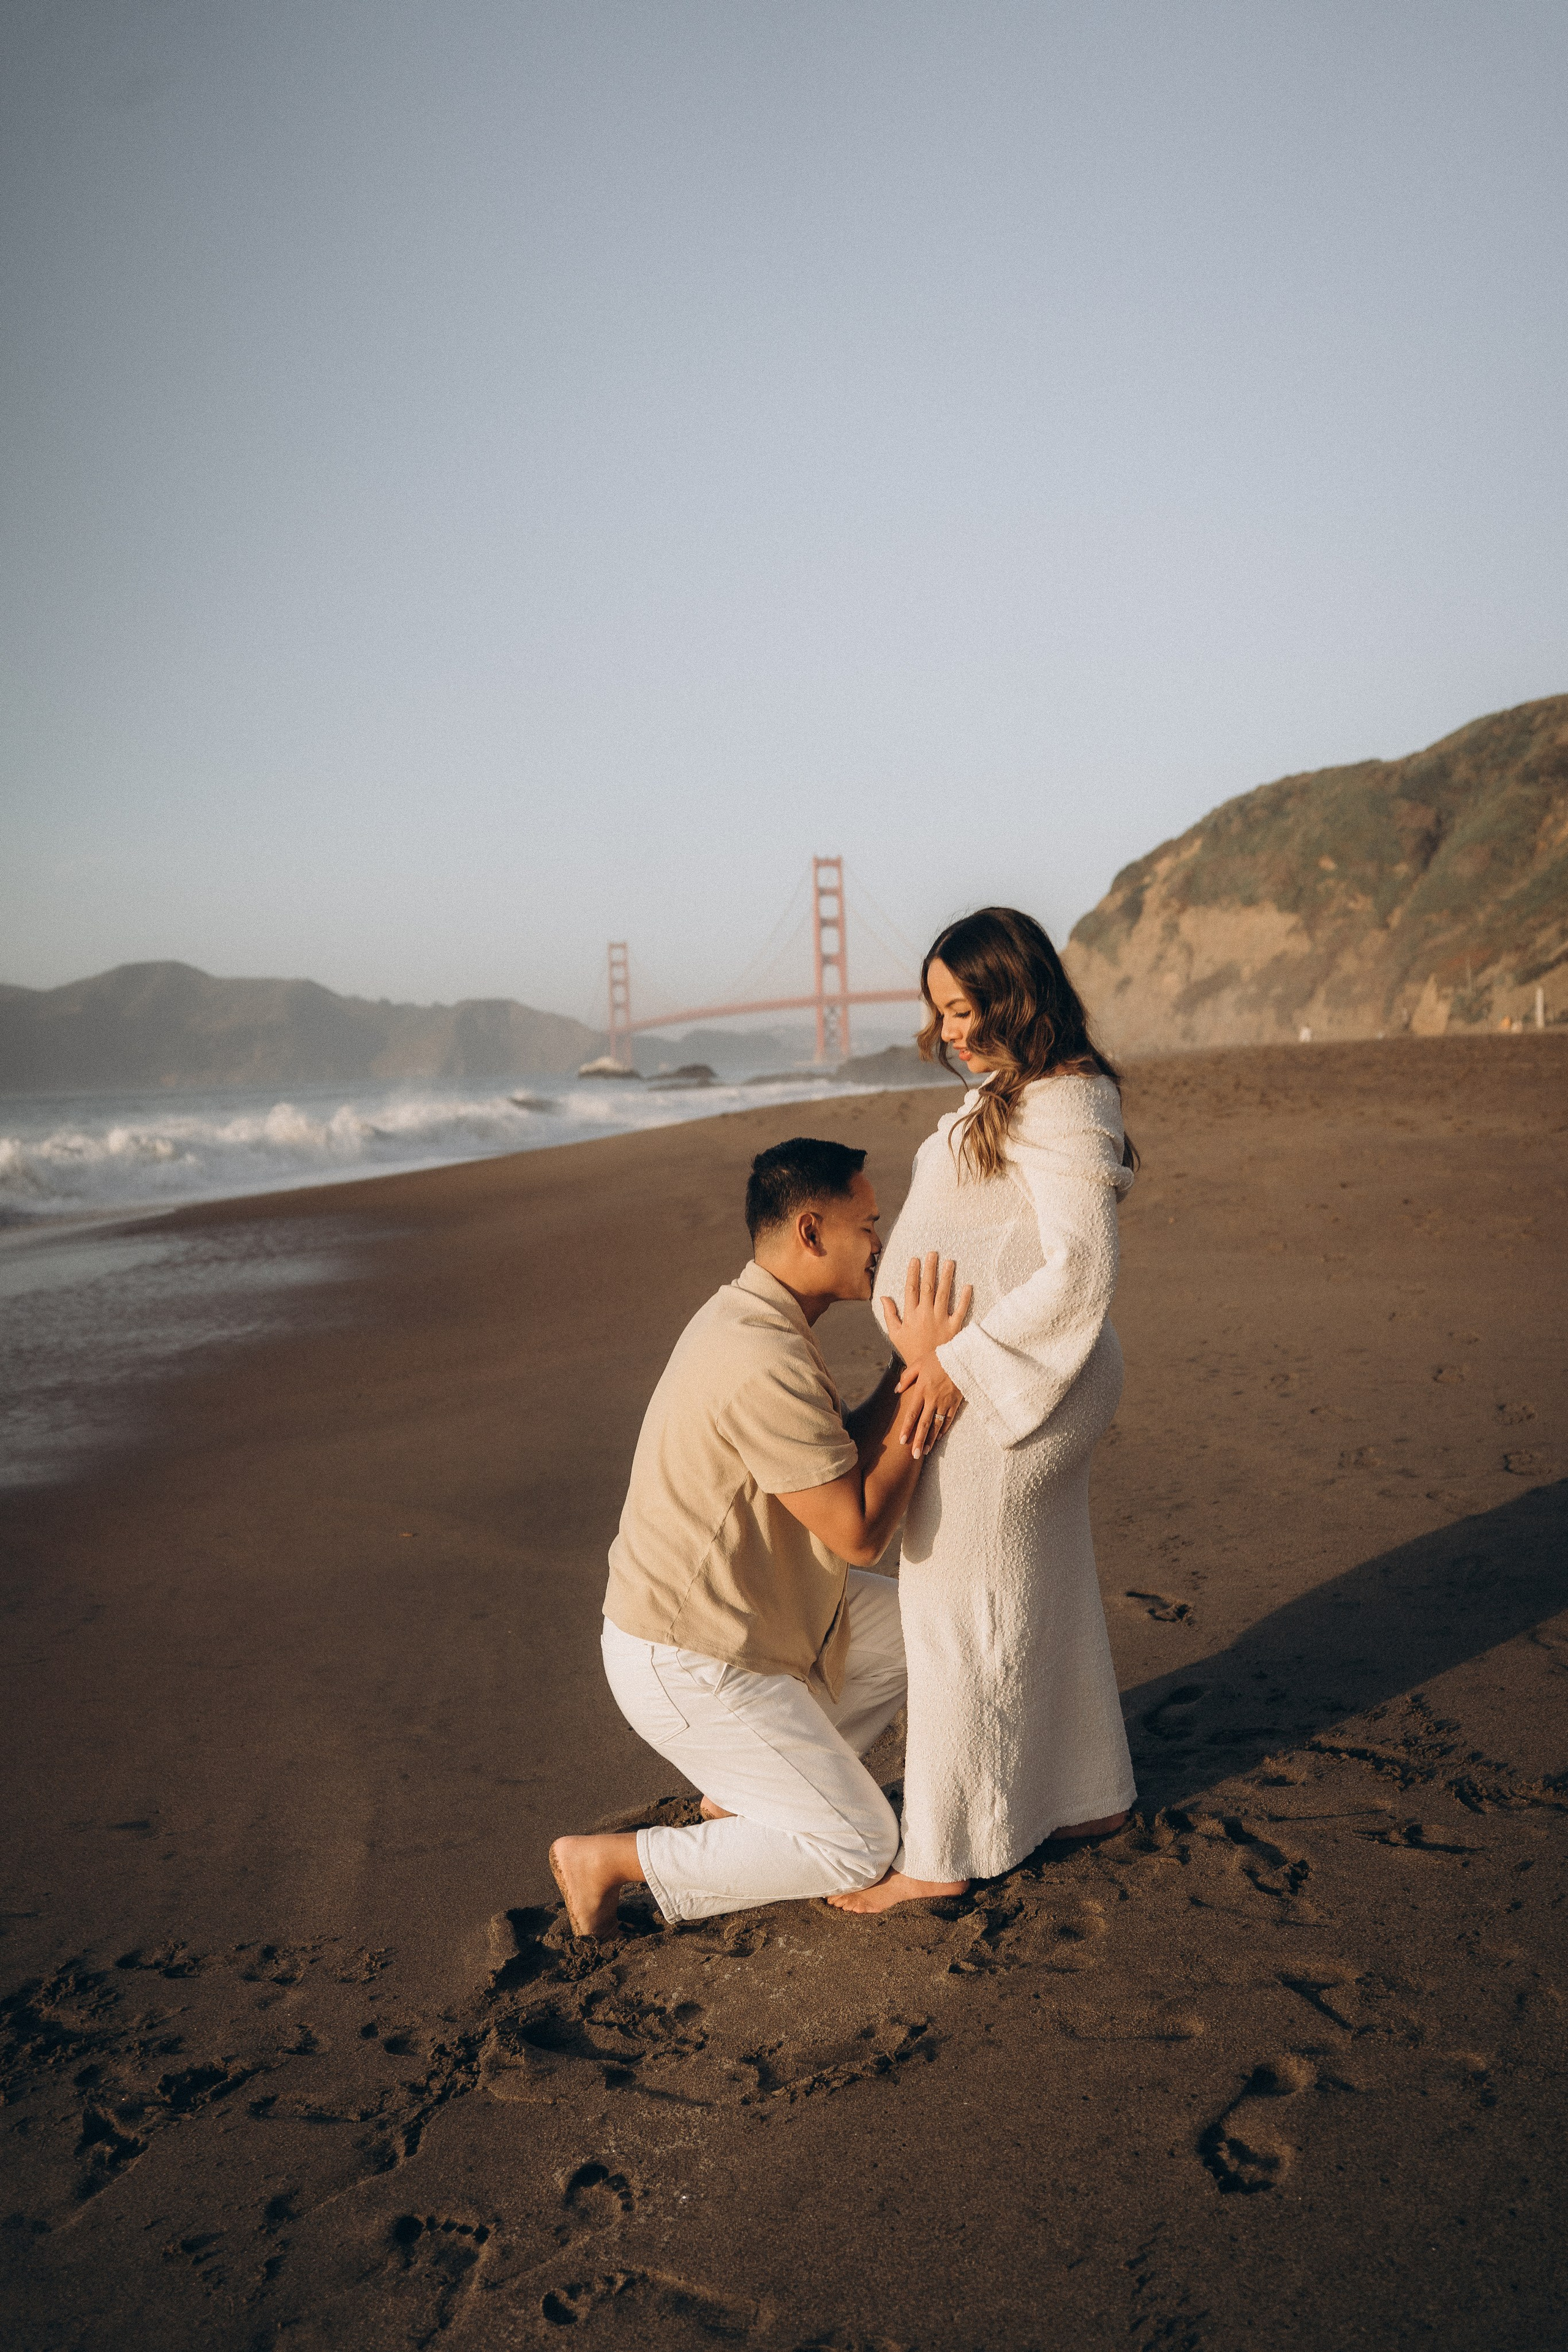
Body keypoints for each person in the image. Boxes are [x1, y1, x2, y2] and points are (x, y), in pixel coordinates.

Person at [549, 1136, 971, 1939]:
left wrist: (903, 1368)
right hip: (689, 1657)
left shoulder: (758, 1317)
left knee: (928, 1631)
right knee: (860, 1844)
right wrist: (924, 1391)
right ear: (811, 1232)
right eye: (867, 1225)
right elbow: (858, 1534)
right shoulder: (760, 1355)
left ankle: (749, 1794)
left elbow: (836, 1460)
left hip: (749, 1614)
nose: (881, 1244)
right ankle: (610, 1860)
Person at [831, 907, 1138, 1915]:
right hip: (1003, 1380)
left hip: (1012, 1386)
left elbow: (1081, 1270)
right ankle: (1091, 1793)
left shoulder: (1065, 1099)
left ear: (1015, 992)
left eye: (964, 1008)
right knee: (1047, 1583)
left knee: (952, 1607)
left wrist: (957, 1363)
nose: (950, 1032)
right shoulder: (1019, 1093)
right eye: (940, 1012)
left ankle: (942, 1854)